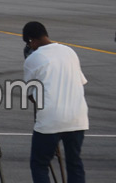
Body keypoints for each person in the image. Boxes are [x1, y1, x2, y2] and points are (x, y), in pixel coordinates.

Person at [23, 21, 88, 183]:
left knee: (39, 164)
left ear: (31, 40)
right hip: (77, 117)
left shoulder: (33, 58)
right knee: (74, 163)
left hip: (51, 119)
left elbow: (30, 94)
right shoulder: (69, 51)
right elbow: (80, 82)